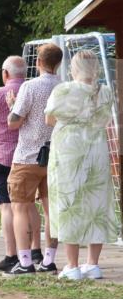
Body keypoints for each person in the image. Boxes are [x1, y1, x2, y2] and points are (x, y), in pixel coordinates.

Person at [45, 51, 118, 280]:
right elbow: (105, 120)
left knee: (69, 202)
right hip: (97, 148)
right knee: (97, 203)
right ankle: (93, 264)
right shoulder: (105, 91)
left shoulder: (64, 89)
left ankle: (72, 265)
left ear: (73, 68)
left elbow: (49, 118)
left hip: (69, 149)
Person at [5, 42, 62, 275]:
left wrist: (12, 106)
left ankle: (25, 261)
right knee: (51, 211)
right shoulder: (64, 87)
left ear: (38, 62)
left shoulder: (30, 87)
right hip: (55, 156)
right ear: (59, 63)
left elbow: (14, 122)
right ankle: (49, 260)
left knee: (19, 209)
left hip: (27, 156)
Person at [0, 55, 33, 272]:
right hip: (28, 155)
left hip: (2, 154)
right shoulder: (31, 90)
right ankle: (34, 251)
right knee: (28, 206)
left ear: (5, 73)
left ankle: (11, 254)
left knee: (7, 206)